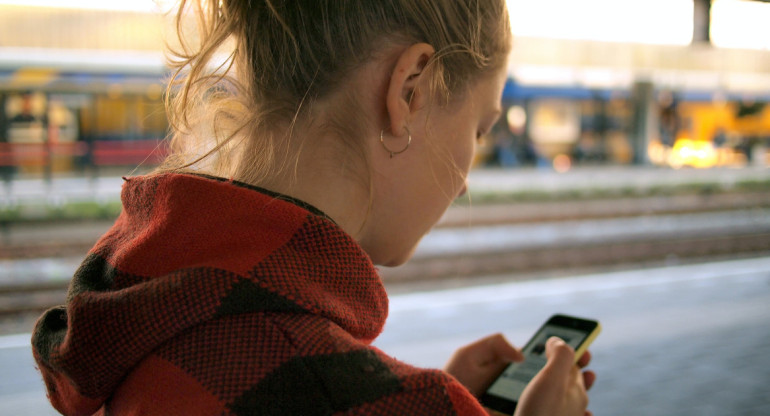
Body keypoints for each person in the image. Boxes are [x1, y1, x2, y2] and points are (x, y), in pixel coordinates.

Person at [31, 1, 596, 415]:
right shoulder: (352, 393)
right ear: (410, 91)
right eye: (479, 127)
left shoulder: (140, 311)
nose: (466, 178)